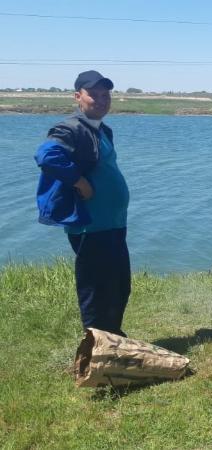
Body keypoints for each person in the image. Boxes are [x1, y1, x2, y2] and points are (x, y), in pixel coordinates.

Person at [34, 70, 131, 337]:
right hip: (91, 225)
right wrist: (79, 181)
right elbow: (46, 155)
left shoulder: (100, 129)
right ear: (78, 96)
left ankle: (111, 337)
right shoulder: (71, 128)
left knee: (118, 286)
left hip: (111, 222)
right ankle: (94, 346)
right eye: (93, 95)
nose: (101, 100)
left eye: (105, 95)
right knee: (95, 288)